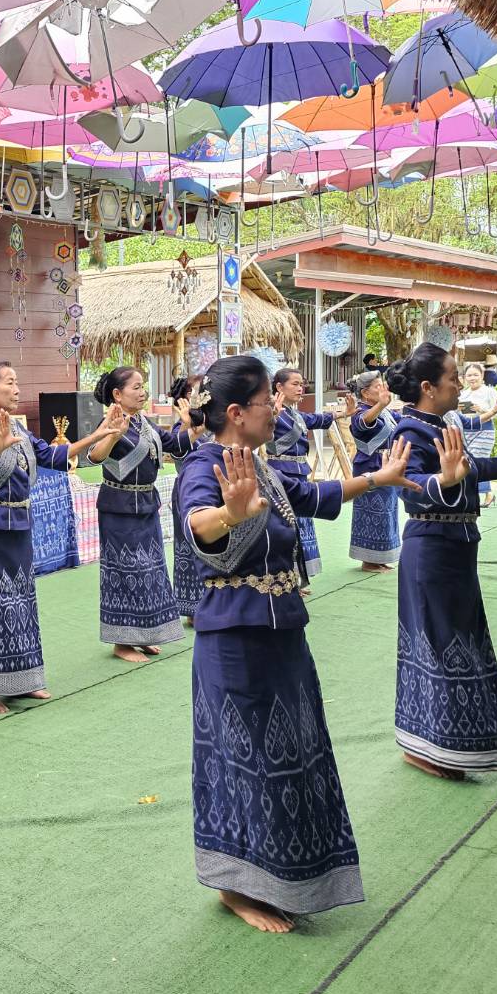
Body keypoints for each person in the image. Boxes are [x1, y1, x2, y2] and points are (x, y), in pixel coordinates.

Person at [173, 356, 419, 933]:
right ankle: (239, 886)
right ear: (236, 413)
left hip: (283, 629)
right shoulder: (204, 467)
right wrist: (228, 516)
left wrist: (377, 479)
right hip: (236, 639)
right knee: (246, 760)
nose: (278, 407)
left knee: (290, 751)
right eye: (268, 401)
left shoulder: (258, 464)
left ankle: (285, 874)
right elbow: (197, 522)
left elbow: (310, 495)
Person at [389, 344, 497, 778]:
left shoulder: (441, 425)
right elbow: (410, 486)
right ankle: (426, 747)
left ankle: (443, 744)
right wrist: (444, 478)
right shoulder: (409, 432)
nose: (460, 385)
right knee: (439, 645)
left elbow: (470, 468)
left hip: (456, 546)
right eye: (454, 378)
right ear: (427, 387)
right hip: (432, 549)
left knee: (458, 642)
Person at [0, 360, 126, 713]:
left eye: (18, 382)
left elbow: (51, 454)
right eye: (10, 383)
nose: (17, 390)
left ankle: (22, 680)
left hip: (18, 522)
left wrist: (100, 434)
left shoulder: (16, 425)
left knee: (21, 602)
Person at [85, 367, 196, 662]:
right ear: (117, 395)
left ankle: (145, 634)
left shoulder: (144, 424)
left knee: (150, 570)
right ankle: (122, 643)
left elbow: (175, 445)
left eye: (143, 386)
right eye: (136, 387)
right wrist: (113, 434)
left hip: (146, 504)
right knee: (124, 572)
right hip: (118, 508)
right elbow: (95, 454)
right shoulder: (110, 421)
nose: (142, 391)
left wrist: (188, 426)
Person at [266, 368, 357, 589]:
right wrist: (272, 416)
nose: (301, 388)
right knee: (287, 526)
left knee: (301, 525)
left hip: (300, 474)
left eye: (302, 384)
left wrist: (345, 413)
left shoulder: (295, 414)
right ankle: (288, 578)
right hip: (281, 473)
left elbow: (316, 419)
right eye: (295, 384)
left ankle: (298, 577)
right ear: (279, 387)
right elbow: (262, 432)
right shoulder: (269, 412)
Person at [345, 370, 401, 571]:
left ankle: (379, 557)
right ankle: (369, 560)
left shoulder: (385, 411)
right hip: (369, 467)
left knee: (387, 511)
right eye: (378, 386)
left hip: (387, 464)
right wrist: (382, 405)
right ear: (365, 393)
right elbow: (364, 422)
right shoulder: (360, 412)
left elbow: (403, 419)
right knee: (373, 511)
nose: (383, 389)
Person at [168, 374, 211, 624]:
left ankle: (211, 603)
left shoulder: (212, 425)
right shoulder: (179, 429)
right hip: (189, 490)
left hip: (212, 491)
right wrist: (186, 426)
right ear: (187, 399)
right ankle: (194, 609)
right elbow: (178, 453)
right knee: (190, 548)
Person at [458, 362, 497, 508]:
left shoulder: (490, 392)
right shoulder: (463, 394)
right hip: (467, 431)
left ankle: (475, 494)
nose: (472, 378)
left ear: (482, 375)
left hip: (485, 430)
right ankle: (488, 493)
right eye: (469, 375)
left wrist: (482, 409)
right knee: (471, 461)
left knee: (476, 461)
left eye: (475, 375)